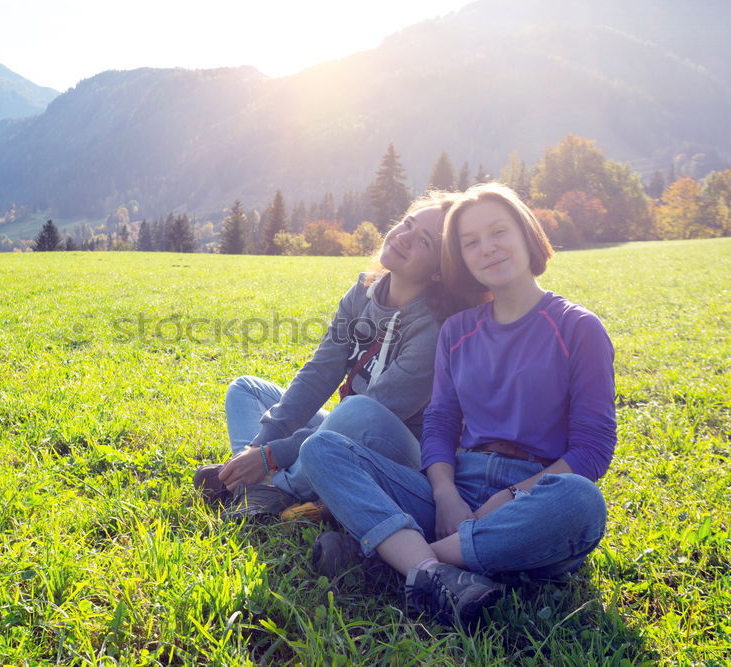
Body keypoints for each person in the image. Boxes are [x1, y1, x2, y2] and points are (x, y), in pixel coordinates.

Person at [299, 182, 616, 627]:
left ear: (526, 233)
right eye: (471, 243)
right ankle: (439, 568)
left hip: (534, 499)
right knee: (321, 449)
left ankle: (407, 561)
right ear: (461, 260)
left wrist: (507, 498)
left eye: (498, 232)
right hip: (453, 494)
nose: (487, 249)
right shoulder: (458, 330)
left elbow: (592, 449)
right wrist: (446, 495)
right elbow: (441, 423)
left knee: (581, 503)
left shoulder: (578, 327)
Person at [194, 191, 471, 520]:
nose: (404, 238)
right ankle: (248, 480)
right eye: (407, 224)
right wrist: (260, 447)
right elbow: (318, 375)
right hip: (342, 427)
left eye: (423, 241)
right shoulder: (362, 292)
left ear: (440, 272)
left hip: (398, 453)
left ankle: (278, 487)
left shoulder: (435, 330)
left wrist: (273, 456)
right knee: (247, 389)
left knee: (358, 410)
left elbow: (376, 412)